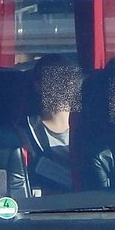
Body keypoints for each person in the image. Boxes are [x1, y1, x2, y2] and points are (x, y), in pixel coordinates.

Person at [7, 57, 82, 198]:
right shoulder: (23, 131)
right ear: (38, 85)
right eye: (55, 80)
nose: (63, 87)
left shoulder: (89, 129)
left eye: (69, 81)